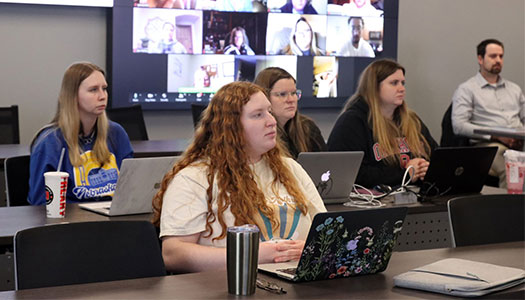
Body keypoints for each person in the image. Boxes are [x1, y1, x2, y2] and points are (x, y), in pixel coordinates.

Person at [152, 81, 326, 273]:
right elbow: (173, 254)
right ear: (231, 127)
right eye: (258, 115)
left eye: (269, 111)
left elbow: (327, 231)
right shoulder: (195, 178)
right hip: (228, 285)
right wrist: (255, 254)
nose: (272, 121)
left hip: (298, 278)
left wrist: (311, 248)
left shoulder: (290, 168)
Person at [28, 62, 133, 205]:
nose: (102, 96)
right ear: (73, 96)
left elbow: (130, 188)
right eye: (93, 90)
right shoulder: (50, 142)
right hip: (71, 223)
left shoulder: (116, 133)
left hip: (112, 219)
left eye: (104, 89)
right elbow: (40, 204)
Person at [327, 59, 438, 188]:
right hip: (370, 202)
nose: (401, 89)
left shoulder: (412, 120)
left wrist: (426, 169)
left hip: (415, 197)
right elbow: (352, 174)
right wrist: (405, 174)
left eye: (403, 83)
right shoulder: (352, 122)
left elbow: (437, 156)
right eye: (394, 83)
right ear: (374, 87)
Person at [452, 39, 525, 188]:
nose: (498, 60)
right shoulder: (467, 89)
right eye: (493, 56)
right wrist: (497, 135)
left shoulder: (514, 89)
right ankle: (510, 210)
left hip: (519, 142)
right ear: (480, 59)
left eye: (501, 56)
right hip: (490, 145)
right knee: (513, 167)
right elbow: (458, 126)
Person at [254, 67, 326, 158]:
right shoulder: (257, 133)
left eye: (294, 93)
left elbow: (326, 166)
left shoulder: (307, 127)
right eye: (282, 94)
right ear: (265, 97)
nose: (291, 100)